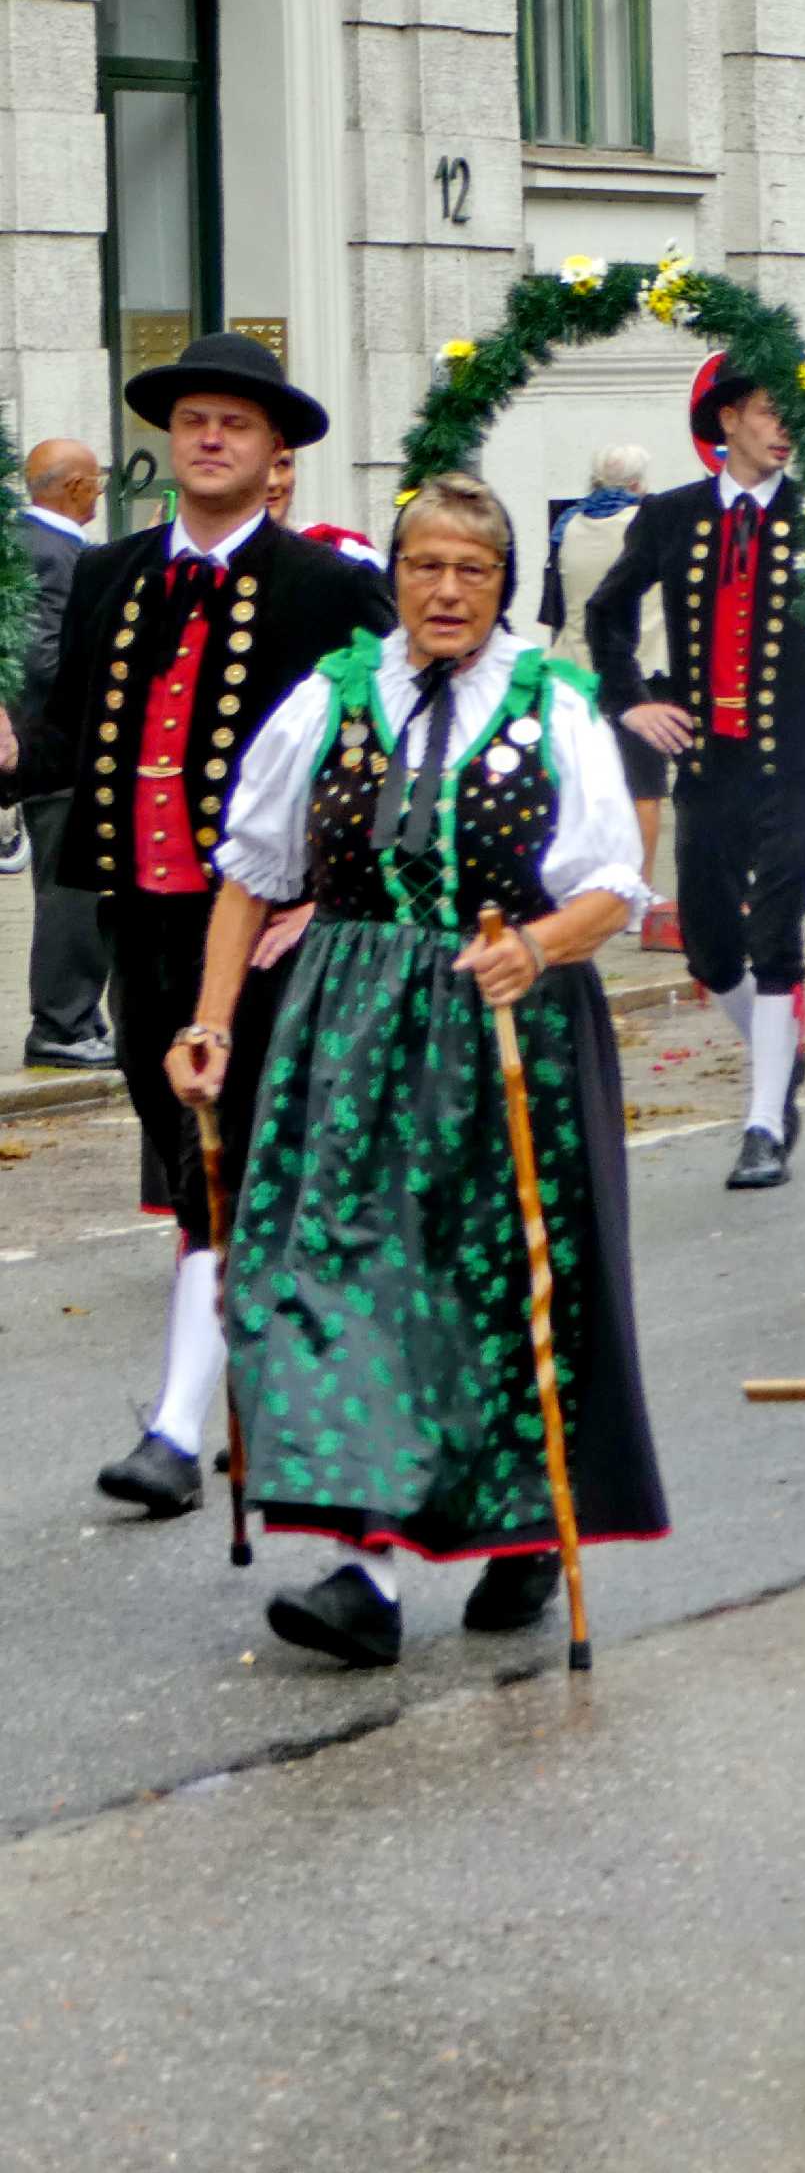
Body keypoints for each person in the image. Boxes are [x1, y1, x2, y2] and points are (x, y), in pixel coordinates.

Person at [166, 473, 665, 1662]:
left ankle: (522, 1530)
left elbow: (613, 886)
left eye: (472, 571)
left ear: (503, 585)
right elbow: (249, 875)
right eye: (425, 566)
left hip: (508, 1033)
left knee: (494, 1290)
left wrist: (534, 946)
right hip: (346, 1029)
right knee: (335, 1277)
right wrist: (212, 1024)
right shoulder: (334, 696)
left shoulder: (553, 704)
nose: (446, 590)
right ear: (394, 576)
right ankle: (365, 1573)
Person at [7, 336, 392, 1518]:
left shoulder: (327, 587)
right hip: (142, 921)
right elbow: (70, 738)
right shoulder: (112, 572)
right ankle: (261, 1385)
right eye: (192, 421)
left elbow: (387, 749)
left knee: (218, 1160)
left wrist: (329, 893)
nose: (209, 438)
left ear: (276, 455)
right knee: (196, 1162)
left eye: (235, 423)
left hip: (271, 934)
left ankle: (177, 1432)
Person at [585, 358, 805, 1190]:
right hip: (707, 757)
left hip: (795, 756)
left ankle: (764, 1123)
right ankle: (780, 1050)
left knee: (777, 929)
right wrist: (631, 704)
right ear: (727, 420)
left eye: (792, 414)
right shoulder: (672, 514)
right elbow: (606, 611)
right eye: (768, 410)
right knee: (707, 942)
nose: (783, 428)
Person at [14, 437, 118, 1069]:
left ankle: (77, 1019)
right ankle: (63, 1025)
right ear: (77, 487)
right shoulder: (50, 552)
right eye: (97, 481)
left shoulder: (38, 546)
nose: (101, 491)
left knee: (78, 889)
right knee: (73, 893)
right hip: (65, 755)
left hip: (60, 753)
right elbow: (43, 659)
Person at [541, 443, 669, 935]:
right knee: (644, 788)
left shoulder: (568, 525)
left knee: (579, 788)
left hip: (573, 672)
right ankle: (638, 892)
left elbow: (555, 603)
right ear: (637, 484)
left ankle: (579, 891)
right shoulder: (647, 524)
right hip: (638, 673)